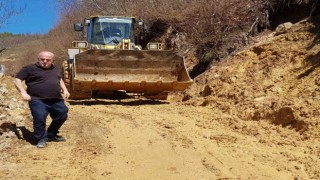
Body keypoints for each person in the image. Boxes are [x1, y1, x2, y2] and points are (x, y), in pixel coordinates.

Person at [14, 51, 70, 148]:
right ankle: (41, 139)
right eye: (42, 59)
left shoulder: (55, 69)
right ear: (38, 59)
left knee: (62, 113)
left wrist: (65, 89)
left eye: (48, 60)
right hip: (37, 99)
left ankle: (51, 134)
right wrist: (23, 93)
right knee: (39, 117)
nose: (45, 61)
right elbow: (17, 80)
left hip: (56, 99)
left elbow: (59, 79)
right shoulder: (29, 69)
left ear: (53, 61)